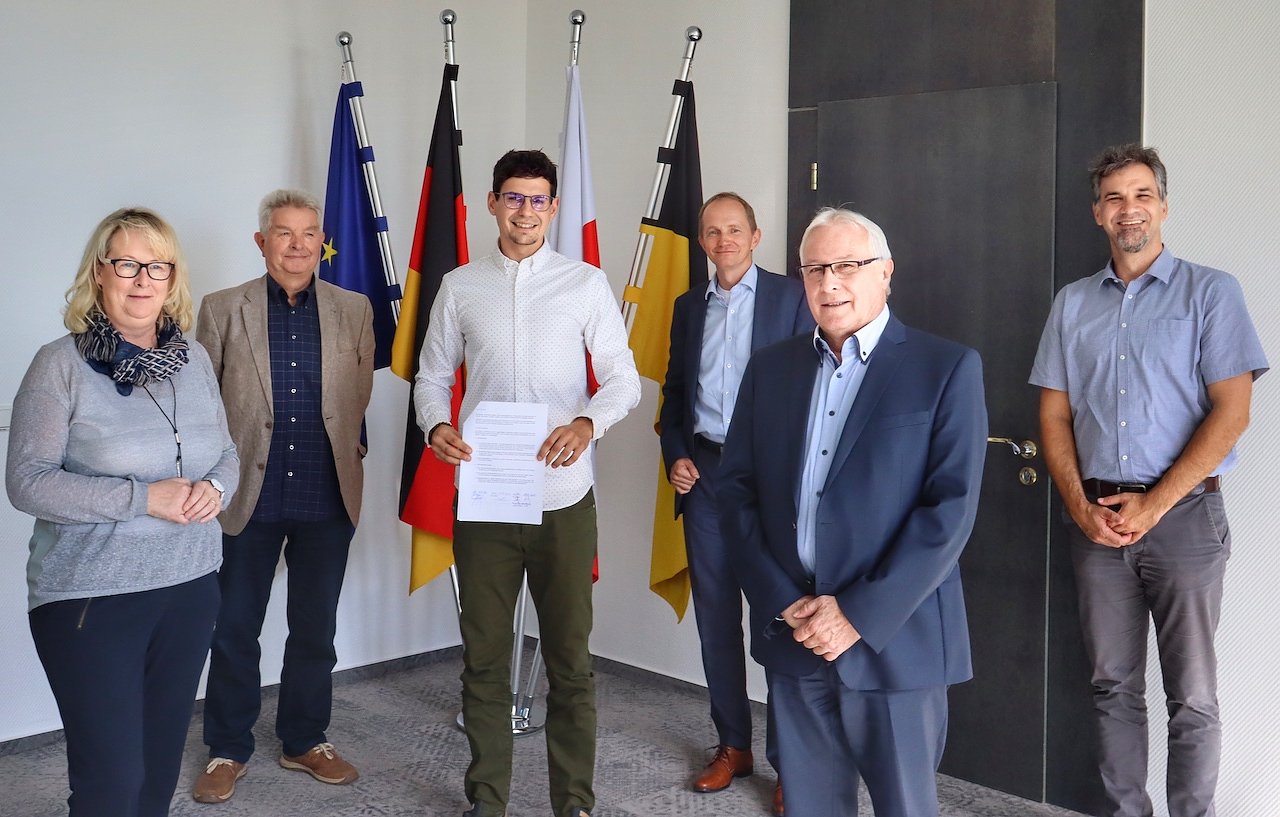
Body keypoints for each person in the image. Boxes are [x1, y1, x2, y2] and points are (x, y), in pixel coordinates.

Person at [718, 208, 987, 817]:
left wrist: (856, 614)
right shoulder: (771, 368)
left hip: (895, 642)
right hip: (795, 635)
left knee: (904, 807)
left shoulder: (945, 368)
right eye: (814, 269)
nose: (829, 282)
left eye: (847, 265)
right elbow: (735, 493)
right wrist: (781, 598)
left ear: (885, 272)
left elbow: (948, 512)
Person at [1030, 144, 1267, 817]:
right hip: (1097, 520)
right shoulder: (1072, 304)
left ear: (1163, 206)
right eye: (1113, 198)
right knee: (1112, 687)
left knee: (1192, 694)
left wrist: (1155, 505)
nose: (1127, 209)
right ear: (1097, 213)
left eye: (1141, 195)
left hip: (1186, 517)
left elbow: (1233, 412)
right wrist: (1082, 508)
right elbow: (1053, 415)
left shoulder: (1211, 292)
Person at [415, 149, 640, 817]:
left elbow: (623, 378)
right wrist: (435, 424)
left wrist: (588, 423)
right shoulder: (460, 286)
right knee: (484, 660)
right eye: (513, 197)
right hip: (485, 500)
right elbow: (431, 376)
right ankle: (488, 801)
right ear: (492, 203)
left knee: (570, 661)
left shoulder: (585, 284)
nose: (525, 211)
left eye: (538, 199)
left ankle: (574, 803)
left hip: (562, 500)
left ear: (554, 208)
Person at [6, 208, 238, 816]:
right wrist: (143, 497)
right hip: (93, 599)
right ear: (99, 273)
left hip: (190, 588)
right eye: (127, 263)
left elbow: (227, 453)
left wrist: (217, 489)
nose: (142, 279)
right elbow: (27, 483)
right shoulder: (60, 364)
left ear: (172, 278)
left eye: (157, 266)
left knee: (158, 772)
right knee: (112, 781)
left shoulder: (193, 359)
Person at [192, 189, 374, 803]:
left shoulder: (354, 309)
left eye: (308, 234)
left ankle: (304, 740)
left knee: (314, 630)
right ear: (262, 241)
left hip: (327, 494)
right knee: (233, 628)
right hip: (248, 495)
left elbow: (357, 397)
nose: (297, 245)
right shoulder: (223, 309)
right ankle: (227, 747)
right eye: (283, 233)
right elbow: (204, 405)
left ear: (321, 241)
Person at [659, 192, 813, 813]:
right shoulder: (688, 306)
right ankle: (732, 746)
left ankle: (791, 765)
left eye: (734, 230)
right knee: (716, 617)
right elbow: (675, 392)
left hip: (773, 482)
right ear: (702, 241)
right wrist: (676, 453)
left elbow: (814, 386)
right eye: (712, 232)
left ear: (755, 235)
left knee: (781, 617)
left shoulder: (792, 297)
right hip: (707, 477)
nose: (723, 241)